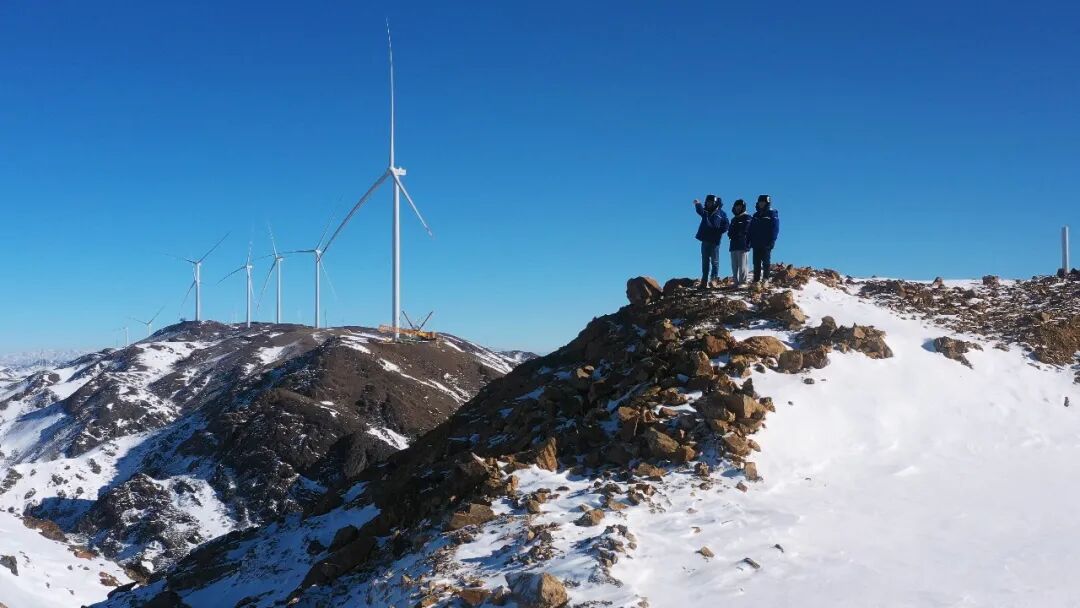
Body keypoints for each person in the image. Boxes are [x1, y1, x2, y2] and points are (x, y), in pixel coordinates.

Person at [693, 194, 728, 289]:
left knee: (714, 261)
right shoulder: (705, 211)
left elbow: (726, 225)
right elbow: (700, 211)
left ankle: (713, 280)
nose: (709, 204)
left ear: (715, 203)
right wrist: (697, 204)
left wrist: (719, 231)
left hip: (715, 241)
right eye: (708, 202)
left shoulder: (721, 213)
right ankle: (704, 281)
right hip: (705, 240)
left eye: (711, 202)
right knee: (705, 261)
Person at [749, 194, 779, 283]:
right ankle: (756, 280)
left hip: (766, 242)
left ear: (767, 203)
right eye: (760, 202)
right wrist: (749, 239)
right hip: (756, 242)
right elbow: (751, 228)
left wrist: (772, 240)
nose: (761, 204)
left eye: (763, 202)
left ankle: (765, 279)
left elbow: (775, 228)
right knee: (756, 262)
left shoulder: (772, 213)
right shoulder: (755, 215)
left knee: (766, 262)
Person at [727, 199, 752, 286]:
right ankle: (735, 281)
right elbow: (730, 231)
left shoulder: (747, 217)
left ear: (743, 207)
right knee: (734, 265)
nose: (738, 208)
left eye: (740, 207)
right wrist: (732, 234)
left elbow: (746, 230)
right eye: (736, 206)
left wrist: (737, 233)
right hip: (733, 245)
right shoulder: (733, 219)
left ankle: (743, 282)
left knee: (743, 265)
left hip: (743, 245)